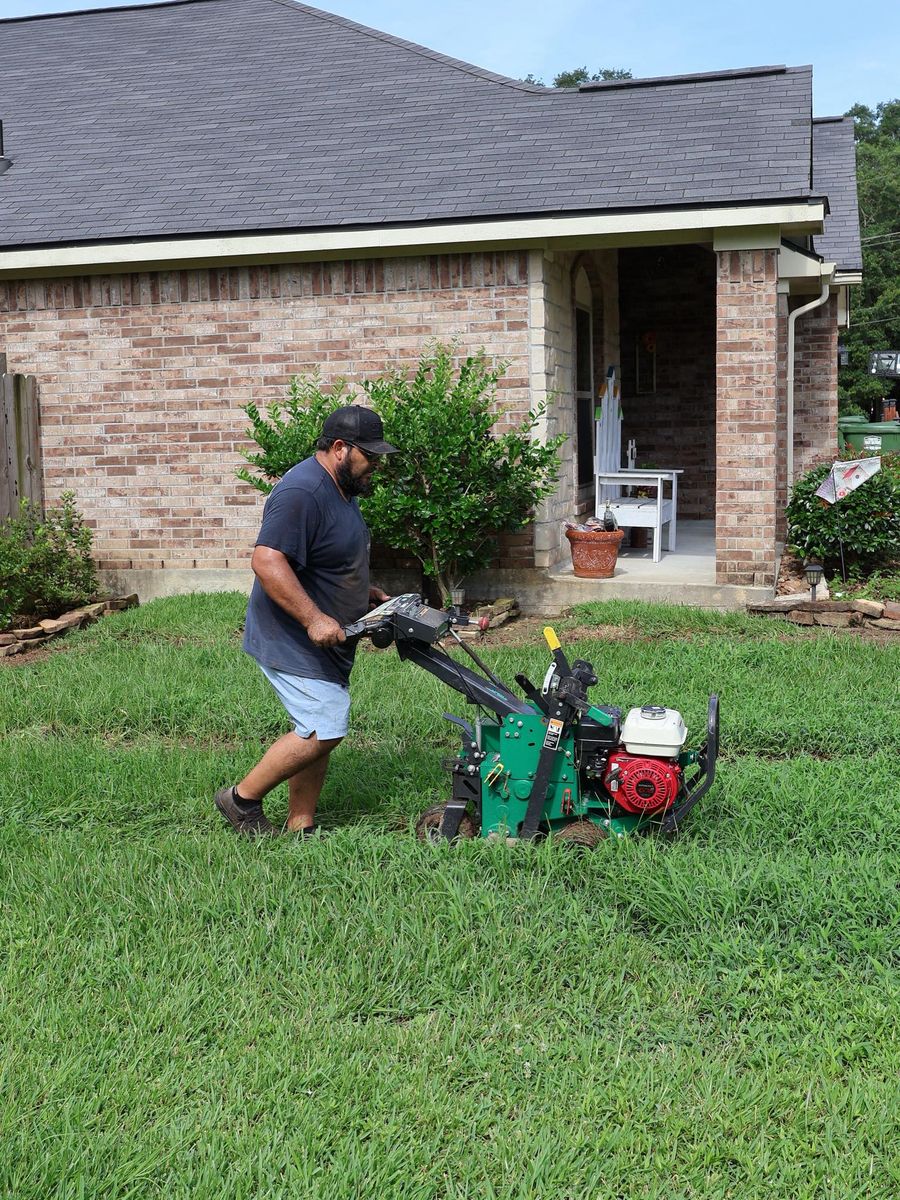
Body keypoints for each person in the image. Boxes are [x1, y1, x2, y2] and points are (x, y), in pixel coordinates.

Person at [215, 405, 398, 837]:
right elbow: (267, 560)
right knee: (326, 727)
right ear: (340, 448)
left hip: (329, 639)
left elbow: (326, 556)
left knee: (317, 726)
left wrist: (362, 592)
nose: (376, 464)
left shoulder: (341, 489)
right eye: (370, 455)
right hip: (293, 634)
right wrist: (314, 618)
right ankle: (242, 800)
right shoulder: (303, 491)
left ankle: (302, 824)